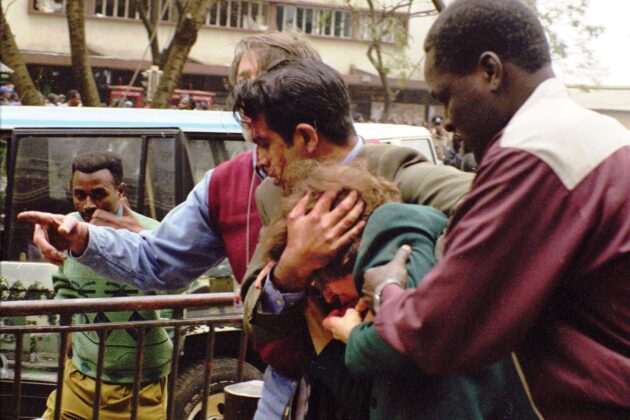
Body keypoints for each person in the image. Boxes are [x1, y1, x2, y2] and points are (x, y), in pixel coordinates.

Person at [18, 32, 323, 419]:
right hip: (281, 390)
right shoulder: (224, 184)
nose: (246, 97)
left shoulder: (373, 174)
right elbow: (159, 260)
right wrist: (84, 239)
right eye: (241, 83)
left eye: (258, 79)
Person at [354, 0, 630, 418]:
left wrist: (386, 291)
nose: (445, 121)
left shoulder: (534, 151)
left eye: (445, 97)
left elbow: (440, 330)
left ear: (490, 71)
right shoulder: (600, 132)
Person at [232, 58, 474, 415]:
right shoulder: (273, 194)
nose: (259, 160)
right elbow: (257, 321)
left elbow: (494, 211)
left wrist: (400, 284)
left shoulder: (398, 171)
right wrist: (292, 269)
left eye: (265, 144)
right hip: (319, 388)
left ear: (305, 137)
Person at [41, 152, 167, 419]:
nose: (87, 204)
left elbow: (178, 286)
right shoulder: (69, 229)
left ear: (120, 191)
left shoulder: (151, 232)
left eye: (98, 194)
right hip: (80, 375)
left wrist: (134, 233)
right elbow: (63, 282)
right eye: (79, 195)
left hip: (140, 384)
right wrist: (71, 332)